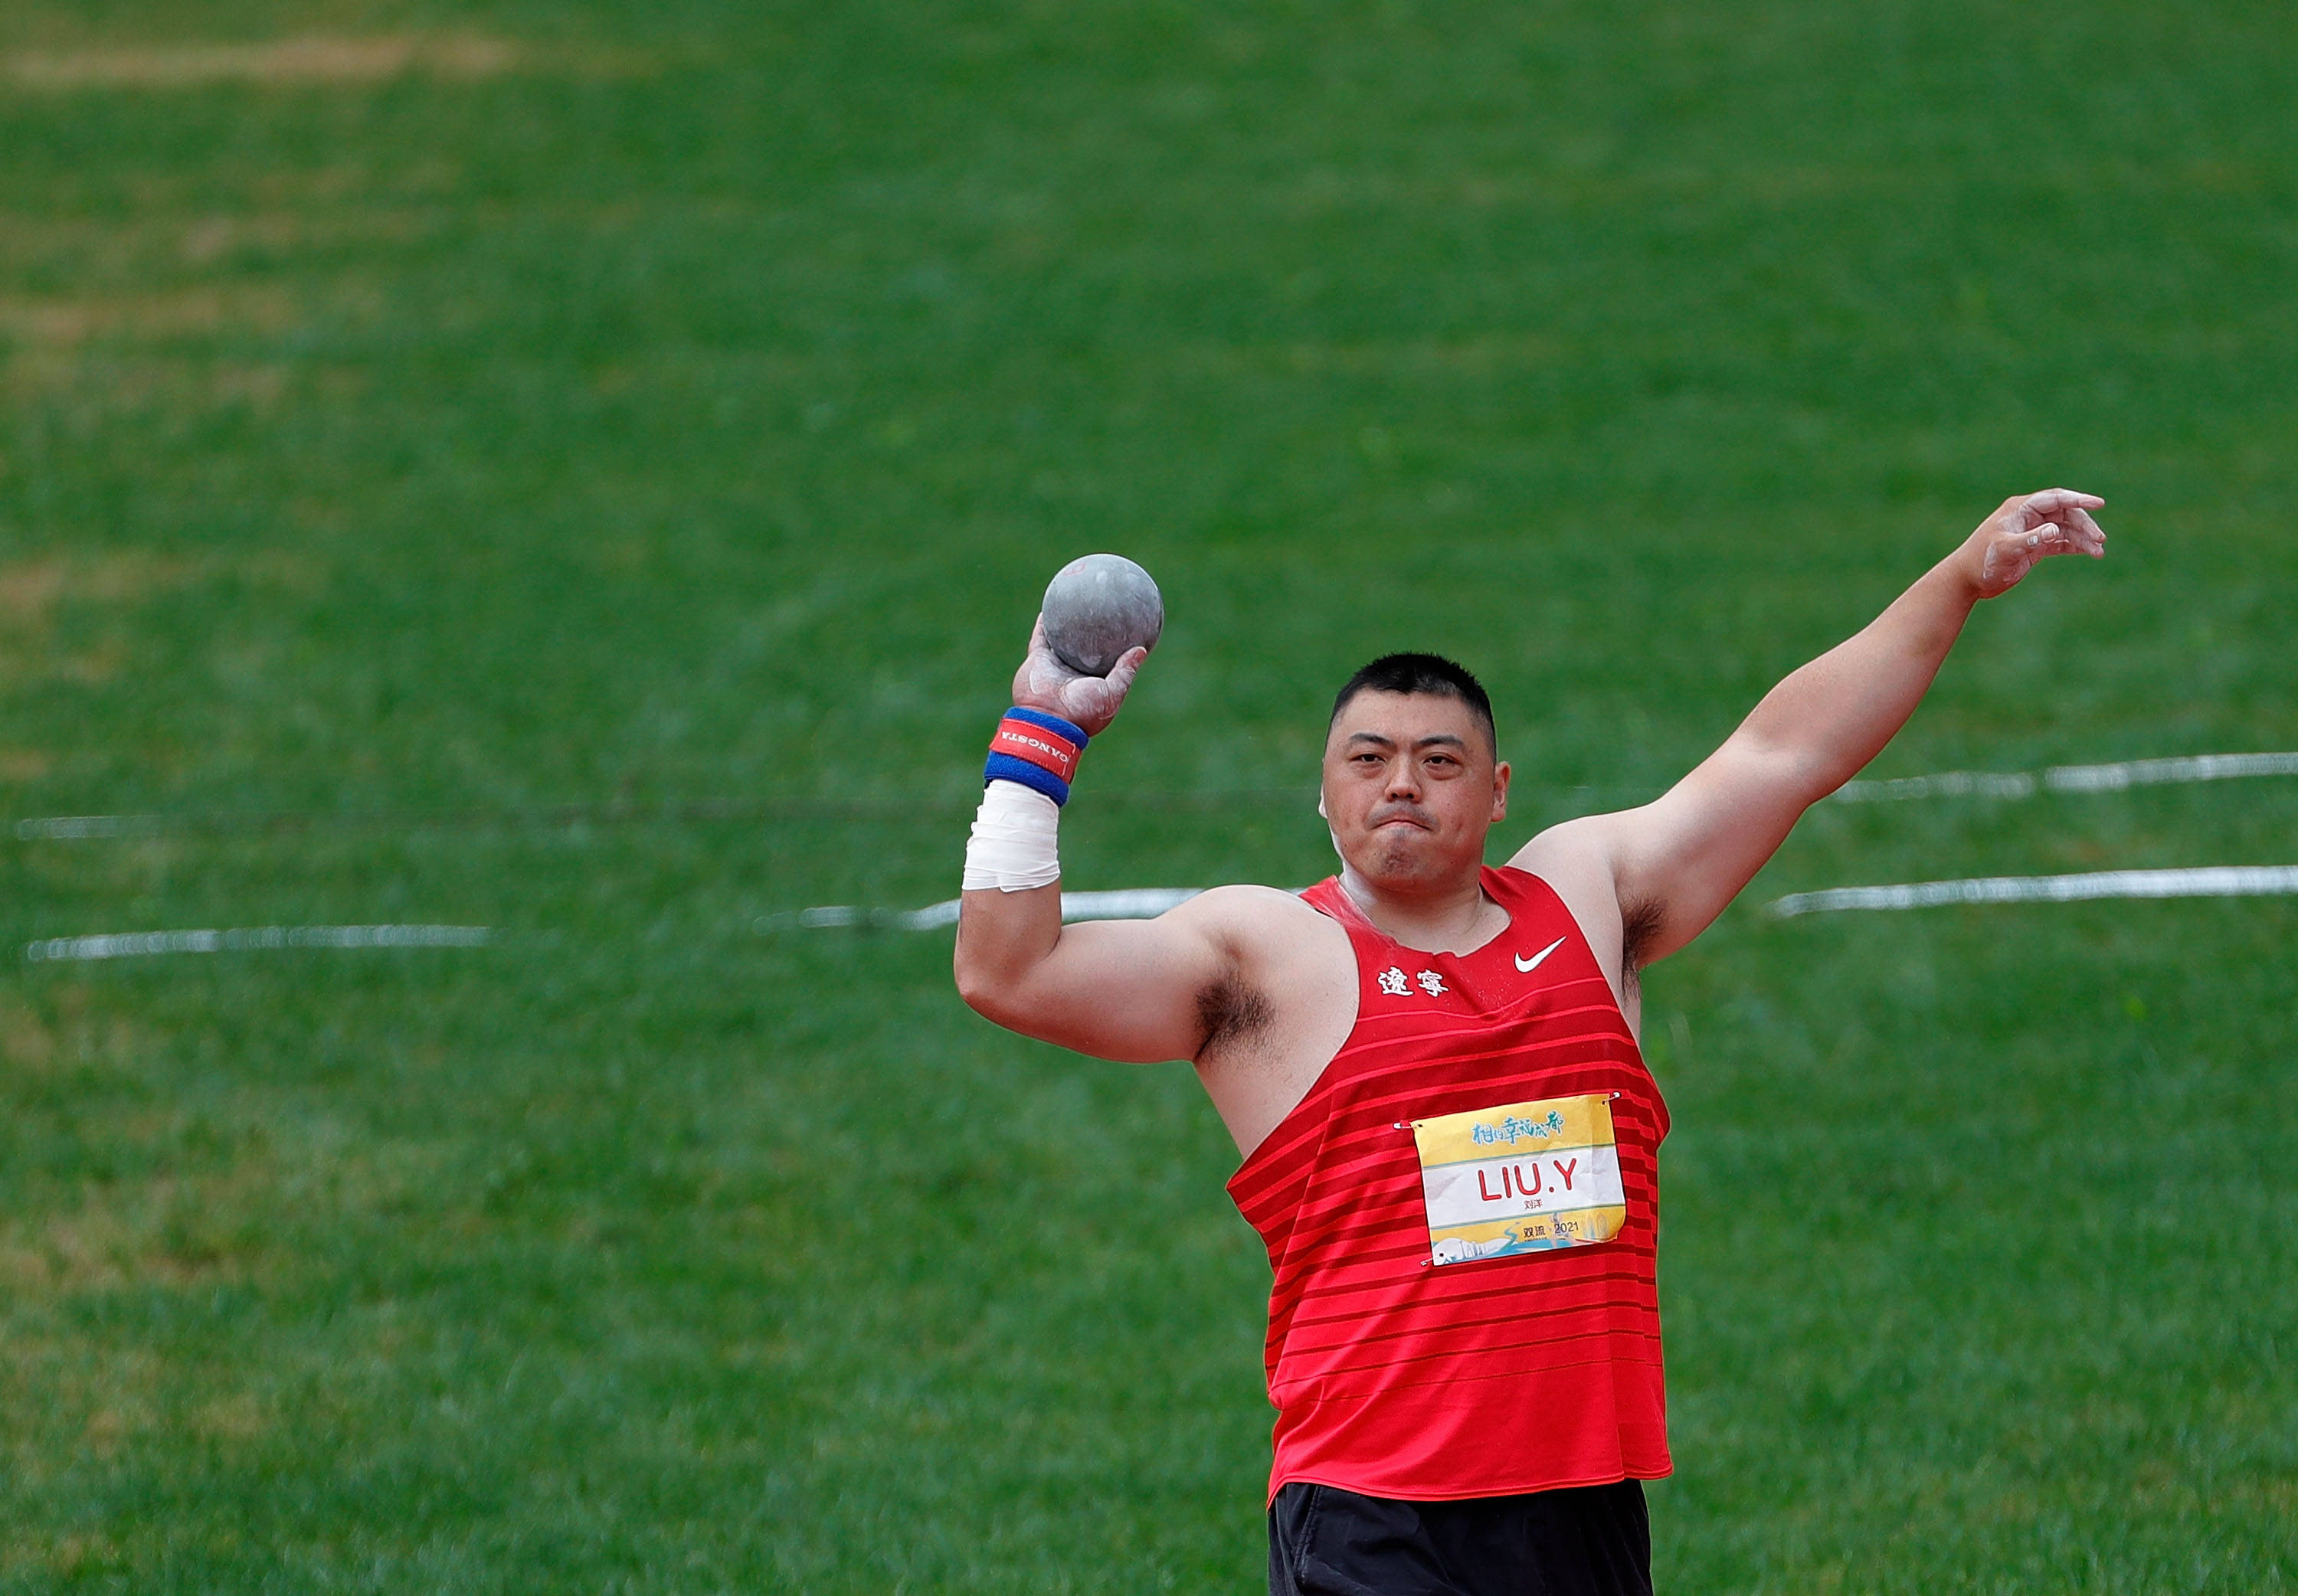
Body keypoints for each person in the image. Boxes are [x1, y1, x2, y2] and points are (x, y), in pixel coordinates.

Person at [952, 490, 2106, 1595]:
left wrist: (1959, 581)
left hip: (1582, 1504)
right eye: (1367, 760)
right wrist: (1046, 722)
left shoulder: (1590, 895)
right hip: (1371, 1515)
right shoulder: (1261, 953)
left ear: (1497, 790)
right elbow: (1009, 972)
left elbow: (1784, 753)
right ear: (1323, 796)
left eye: (1439, 761)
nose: (1402, 784)